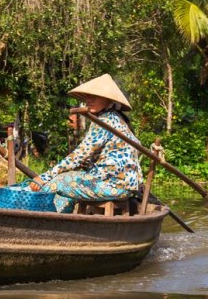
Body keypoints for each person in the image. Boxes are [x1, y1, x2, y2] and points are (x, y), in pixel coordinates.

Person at [27, 74, 142, 213]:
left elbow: (79, 155)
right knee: (65, 192)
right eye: (87, 96)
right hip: (119, 184)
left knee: (60, 181)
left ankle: (27, 205)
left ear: (109, 101)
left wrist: (43, 178)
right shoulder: (116, 119)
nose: (89, 100)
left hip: (115, 185)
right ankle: (60, 221)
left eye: (95, 96)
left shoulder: (106, 121)